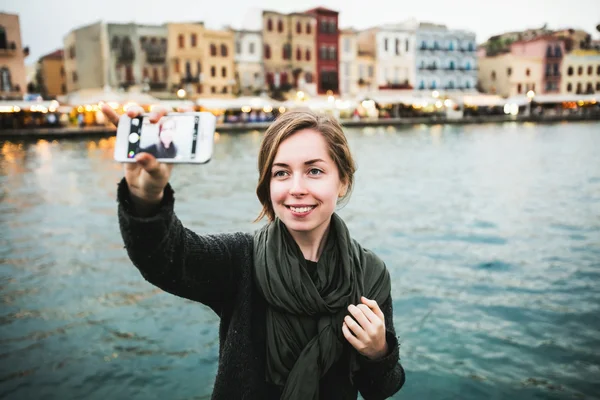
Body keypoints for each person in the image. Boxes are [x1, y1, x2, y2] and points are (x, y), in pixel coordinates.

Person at [102, 104, 406, 399]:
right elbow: (165, 259)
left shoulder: (369, 272)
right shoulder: (240, 260)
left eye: (314, 171)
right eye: (282, 173)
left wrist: (378, 351)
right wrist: (146, 197)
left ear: (342, 181)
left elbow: (381, 388)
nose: (296, 187)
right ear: (267, 184)